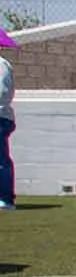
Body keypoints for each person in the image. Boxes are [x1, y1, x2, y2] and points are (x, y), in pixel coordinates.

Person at [0, 45, 14, 211]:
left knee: (0, 160)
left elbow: (2, 92)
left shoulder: (1, 65)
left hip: (0, 116)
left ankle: (5, 198)